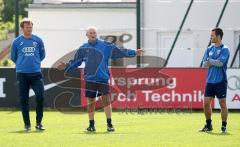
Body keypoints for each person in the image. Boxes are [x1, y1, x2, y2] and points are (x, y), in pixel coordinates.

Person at [57, 26, 143, 132]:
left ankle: (109, 124)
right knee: (91, 101)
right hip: (90, 79)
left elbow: (120, 51)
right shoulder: (83, 48)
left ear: (96, 34)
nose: (93, 34)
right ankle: (91, 125)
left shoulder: (106, 45)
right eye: (90, 32)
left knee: (106, 100)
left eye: (94, 32)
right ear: (87, 35)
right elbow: (76, 62)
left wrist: (134, 52)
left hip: (102, 78)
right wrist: (66, 66)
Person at [11, 18, 46, 131]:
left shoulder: (38, 40)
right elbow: (13, 57)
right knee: (24, 99)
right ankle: (27, 124)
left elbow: (42, 55)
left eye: (31, 27)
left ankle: (39, 123)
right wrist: (22, 65)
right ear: (22, 28)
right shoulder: (16, 42)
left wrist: (34, 63)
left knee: (40, 97)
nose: (29, 29)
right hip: (22, 74)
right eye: (27, 27)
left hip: (36, 73)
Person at [200, 28, 230, 133]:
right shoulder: (209, 49)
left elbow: (220, 63)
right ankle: (208, 125)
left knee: (222, 104)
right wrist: (213, 61)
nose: (211, 37)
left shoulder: (225, 49)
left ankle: (224, 126)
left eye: (212, 36)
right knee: (206, 103)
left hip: (220, 80)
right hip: (210, 81)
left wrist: (210, 61)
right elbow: (204, 64)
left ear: (218, 37)